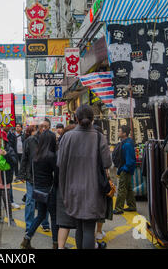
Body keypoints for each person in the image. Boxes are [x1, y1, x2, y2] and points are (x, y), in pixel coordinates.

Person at [57, 105, 112, 249]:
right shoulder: (99, 137)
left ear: (76, 118)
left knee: (79, 227)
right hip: (94, 191)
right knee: (89, 228)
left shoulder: (67, 137)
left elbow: (59, 163)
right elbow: (107, 163)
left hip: (72, 190)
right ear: (93, 119)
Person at [21, 130, 59, 249]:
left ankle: (26, 239)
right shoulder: (51, 156)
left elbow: (32, 173)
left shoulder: (36, 156)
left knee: (40, 215)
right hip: (49, 190)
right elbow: (57, 175)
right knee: (54, 217)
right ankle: (55, 244)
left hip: (38, 190)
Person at [56, 123, 77, 249]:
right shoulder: (80, 150)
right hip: (77, 189)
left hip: (63, 189)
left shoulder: (60, 150)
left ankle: (60, 247)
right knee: (81, 223)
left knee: (64, 222)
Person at [19, 125, 39, 233]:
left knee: (43, 201)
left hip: (44, 177)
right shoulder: (29, 141)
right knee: (30, 201)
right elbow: (24, 158)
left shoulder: (48, 139)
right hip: (31, 176)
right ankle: (29, 225)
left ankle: (45, 223)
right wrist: (21, 174)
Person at [113, 125, 137, 215]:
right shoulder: (126, 142)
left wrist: (124, 168)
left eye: (119, 131)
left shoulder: (127, 144)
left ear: (124, 133)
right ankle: (132, 206)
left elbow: (130, 160)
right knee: (128, 188)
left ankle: (119, 208)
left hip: (125, 169)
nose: (118, 132)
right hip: (126, 168)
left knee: (122, 189)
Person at [3, 126, 19, 209]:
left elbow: (14, 150)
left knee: (8, 183)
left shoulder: (12, 136)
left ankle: (11, 201)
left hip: (8, 165)